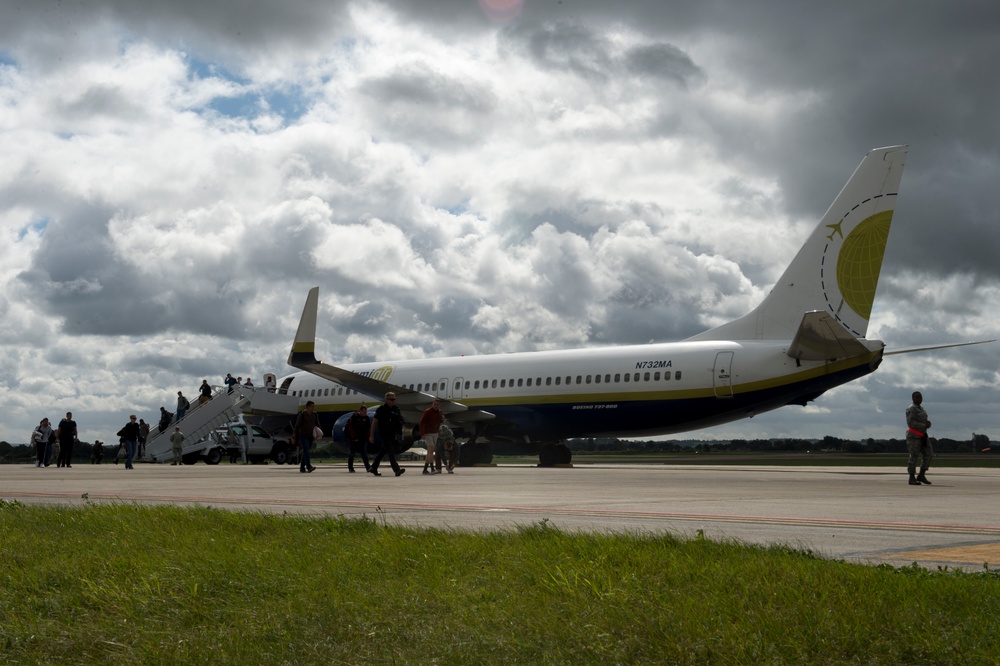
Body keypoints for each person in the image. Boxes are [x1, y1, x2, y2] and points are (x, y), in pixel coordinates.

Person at [369, 392, 406, 477]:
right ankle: (397, 470)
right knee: (391, 452)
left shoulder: (396, 409)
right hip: (385, 434)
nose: (393, 401)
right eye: (391, 399)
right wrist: (371, 435)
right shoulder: (381, 409)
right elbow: (374, 422)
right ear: (386, 400)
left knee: (383, 451)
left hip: (393, 434)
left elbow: (399, 422)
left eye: (394, 399)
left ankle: (373, 467)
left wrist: (400, 433)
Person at [905, 391, 933, 485]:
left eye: (920, 397)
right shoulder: (911, 409)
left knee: (929, 454)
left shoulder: (921, 409)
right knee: (914, 456)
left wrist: (927, 424)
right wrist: (924, 425)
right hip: (914, 436)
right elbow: (911, 423)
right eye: (917, 397)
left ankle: (921, 475)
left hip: (923, 436)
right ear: (913, 398)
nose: (919, 399)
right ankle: (911, 477)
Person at [292, 401, 319, 473]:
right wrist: (293, 436)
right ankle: (308, 466)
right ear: (308, 407)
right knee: (306, 450)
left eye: (314, 406)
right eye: (312, 406)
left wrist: (318, 434)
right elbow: (297, 426)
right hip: (303, 435)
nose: (313, 408)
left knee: (305, 451)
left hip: (311, 436)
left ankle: (302, 468)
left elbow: (317, 425)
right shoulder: (302, 415)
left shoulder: (315, 415)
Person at [419, 399, 443, 475]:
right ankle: (432, 469)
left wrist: (442, 419)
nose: (436, 406)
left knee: (429, 452)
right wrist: (422, 434)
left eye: (437, 405)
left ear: (439, 405)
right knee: (431, 450)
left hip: (435, 433)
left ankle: (425, 469)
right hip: (428, 433)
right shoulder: (428, 412)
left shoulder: (439, 412)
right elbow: (421, 423)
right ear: (432, 404)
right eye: (435, 404)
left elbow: (440, 421)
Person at [346, 405, 371, 473]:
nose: (365, 413)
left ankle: (368, 467)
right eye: (364, 412)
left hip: (363, 438)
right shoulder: (354, 417)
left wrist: (368, 437)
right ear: (360, 411)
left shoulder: (367, 418)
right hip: (354, 438)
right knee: (352, 453)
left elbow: (368, 429)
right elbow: (351, 428)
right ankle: (350, 468)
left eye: (366, 412)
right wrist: (354, 437)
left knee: (364, 453)